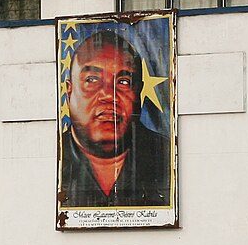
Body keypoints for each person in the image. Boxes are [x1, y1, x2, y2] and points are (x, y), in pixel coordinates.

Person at [61, 26, 171, 209]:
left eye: (123, 82)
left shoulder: (165, 155)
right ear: (69, 91)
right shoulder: (48, 159)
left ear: (139, 94)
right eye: (92, 79)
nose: (108, 95)